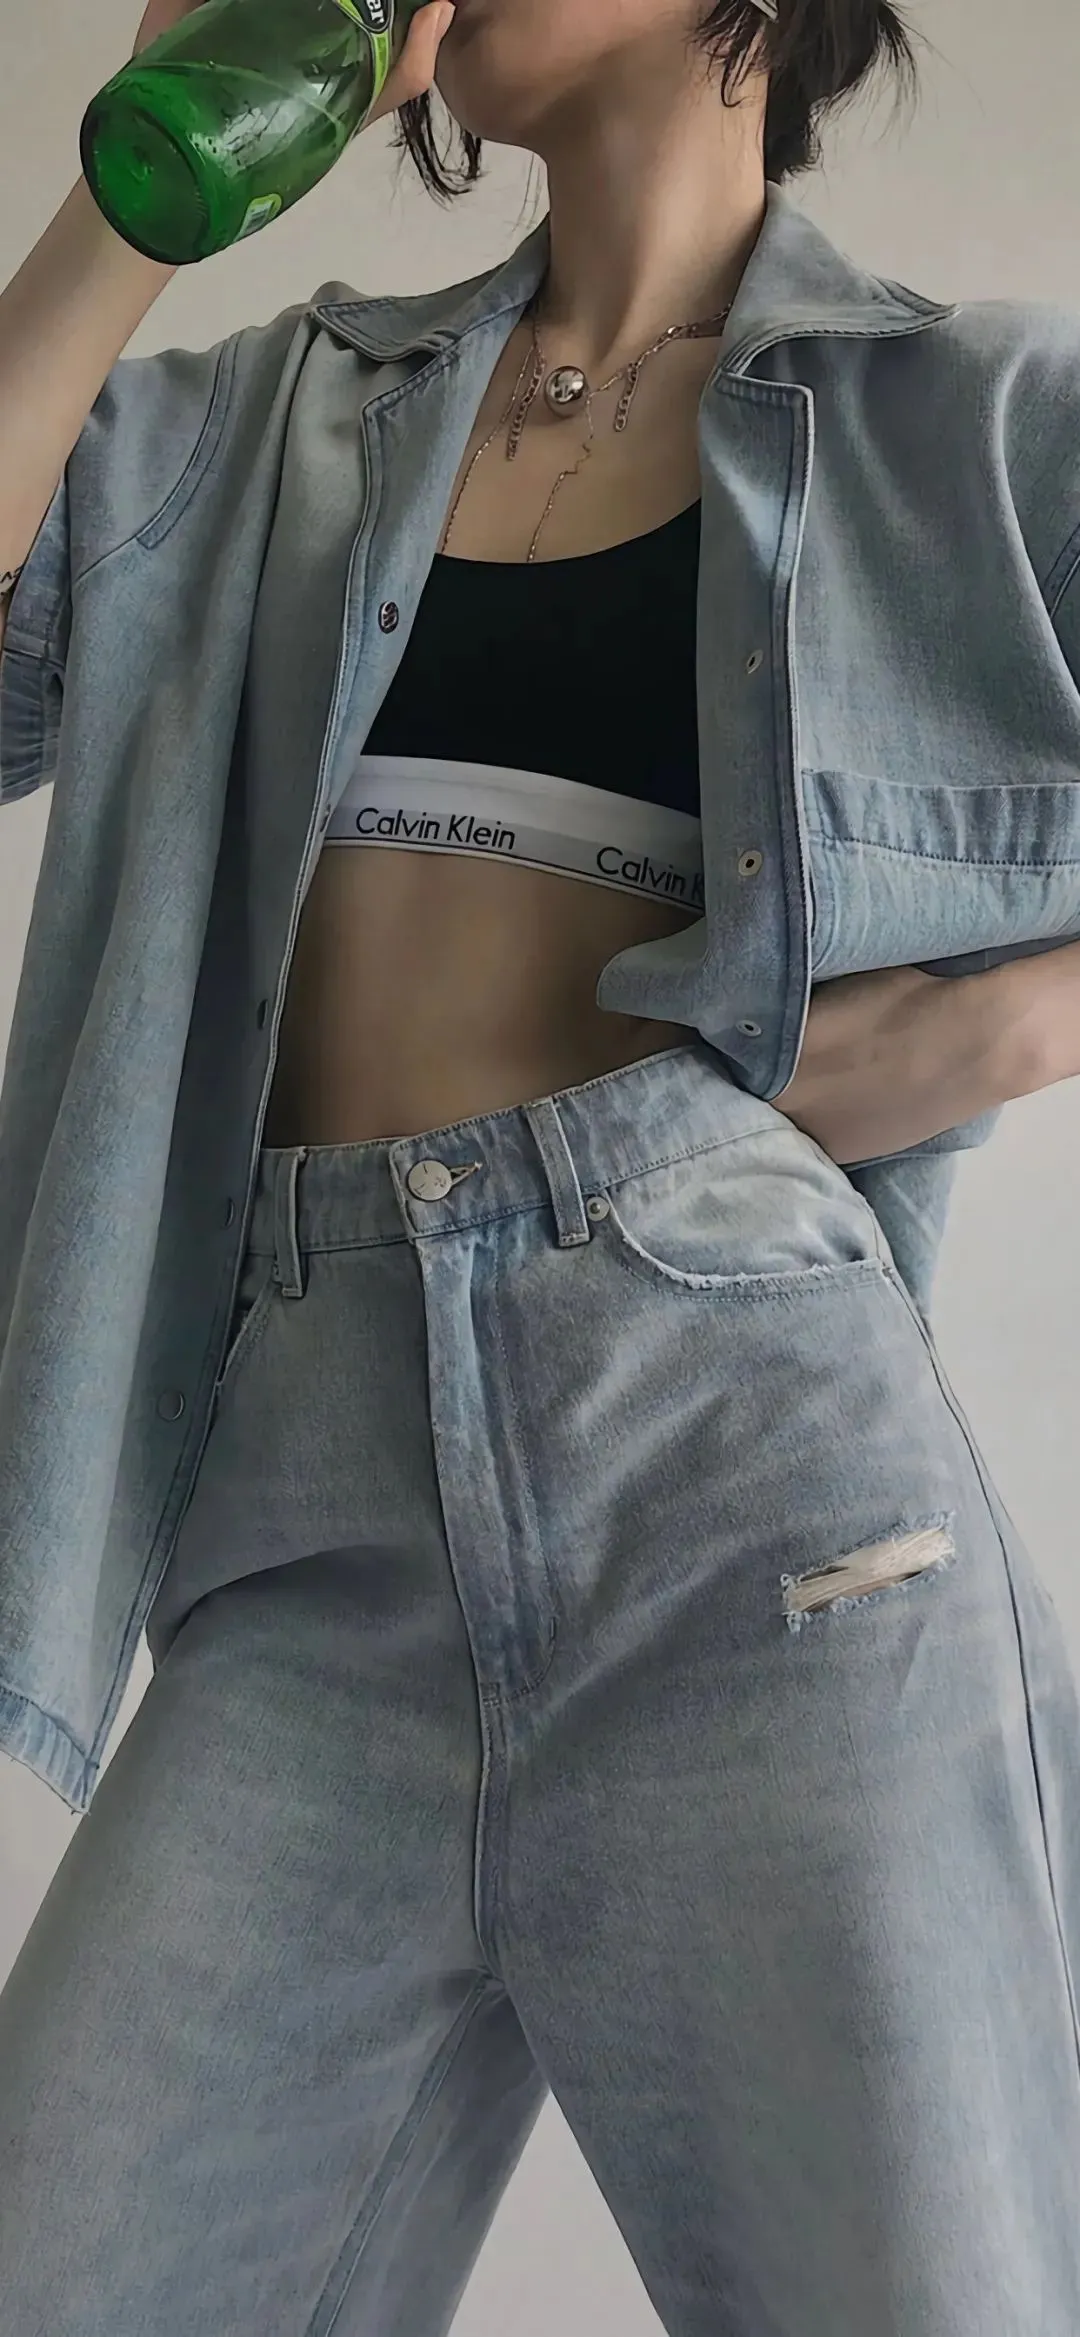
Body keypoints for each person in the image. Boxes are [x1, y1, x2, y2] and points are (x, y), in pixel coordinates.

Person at [1, 1, 1079, 2330]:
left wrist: (1005, 1021)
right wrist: (133, 190)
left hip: (754, 1508)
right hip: (302, 1551)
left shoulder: (970, 416)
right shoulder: (269, 420)